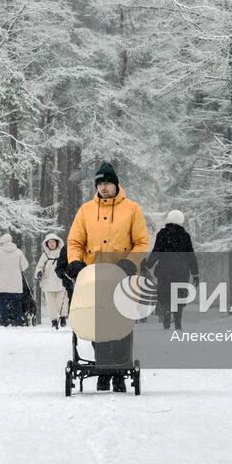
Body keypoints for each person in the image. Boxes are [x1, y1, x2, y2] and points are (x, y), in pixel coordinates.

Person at [66, 162, 150, 392]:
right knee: (98, 323)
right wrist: (75, 262)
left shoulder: (132, 209)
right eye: (100, 184)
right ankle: (104, 369)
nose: (103, 188)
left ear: (115, 184)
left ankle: (120, 371)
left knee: (121, 324)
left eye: (107, 183)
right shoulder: (86, 211)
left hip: (123, 276)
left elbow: (142, 242)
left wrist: (130, 262)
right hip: (94, 277)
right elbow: (75, 242)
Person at [144, 210, 199, 331]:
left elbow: (156, 252)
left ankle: (166, 310)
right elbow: (191, 255)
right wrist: (195, 273)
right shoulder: (185, 236)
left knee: (164, 294)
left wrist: (147, 265)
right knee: (179, 295)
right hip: (181, 272)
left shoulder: (162, 234)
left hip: (164, 271)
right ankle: (178, 321)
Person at [0, 233, 29, 327]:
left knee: (3, 304)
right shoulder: (18, 252)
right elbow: (25, 266)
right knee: (17, 304)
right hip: (16, 283)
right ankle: (18, 322)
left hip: (2, 283)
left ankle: (4, 322)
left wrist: (1, 271)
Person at [34, 234, 70, 328]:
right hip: (48, 283)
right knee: (51, 304)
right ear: (47, 244)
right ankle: (54, 321)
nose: (51, 244)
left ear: (57, 243)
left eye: (53, 242)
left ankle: (62, 318)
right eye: (49, 242)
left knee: (61, 301)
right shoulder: (45, 255)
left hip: (60, 282)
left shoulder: (62, 254)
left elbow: (67, 265)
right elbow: (39, 267)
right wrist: (39, 272)